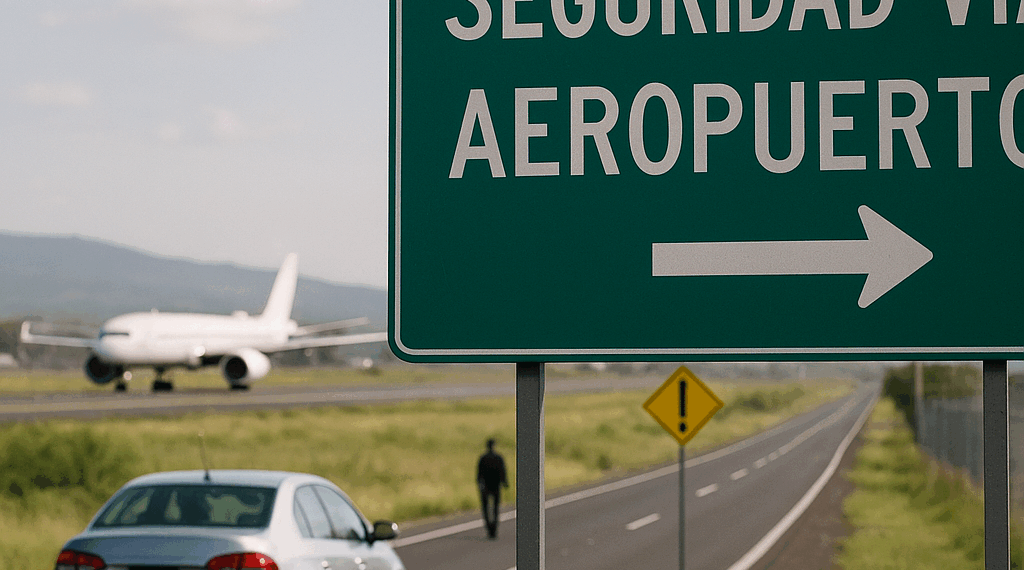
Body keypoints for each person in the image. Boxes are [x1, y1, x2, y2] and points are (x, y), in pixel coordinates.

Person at [476, 438, 508, 539]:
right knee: (495, 508)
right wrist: (504, 482)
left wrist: (479, 484)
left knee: (486, 508)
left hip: (485, 486)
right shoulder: (498, 457)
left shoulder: (483, 457)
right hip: (495, 485)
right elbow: (502, 471)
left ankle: (489, 528)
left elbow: (479, 473)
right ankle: (494, 528)